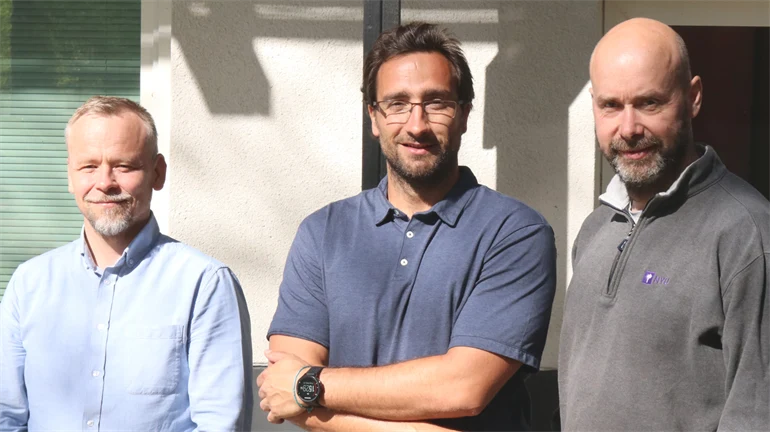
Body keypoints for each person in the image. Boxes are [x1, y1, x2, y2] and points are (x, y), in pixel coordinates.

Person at [257, 22, 557, 431]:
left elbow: (464, 389)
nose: (416, 124)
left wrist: (309, 386)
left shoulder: (515, 233)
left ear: (465, 113)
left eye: (436, 103)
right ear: (374, 118)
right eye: (397, 104)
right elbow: (281, 388)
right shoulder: (323, 232)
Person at [559, 18, 770, 431]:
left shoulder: (747, 235)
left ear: (692, 97)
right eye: (611, 106)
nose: (628, 128)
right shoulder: (596, 227)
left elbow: (757, 413)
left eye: (649, 103)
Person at [0, 96, 253, 431]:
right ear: (70, 176)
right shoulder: (29, 283)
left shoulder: (203, 284)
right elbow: (7, 416)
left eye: (124, 166)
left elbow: (221, 424)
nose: (104, 182)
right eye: (88, 166)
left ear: (157, 173)